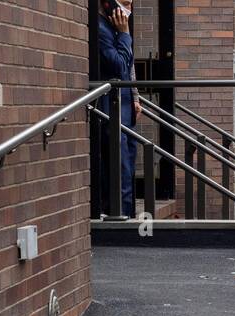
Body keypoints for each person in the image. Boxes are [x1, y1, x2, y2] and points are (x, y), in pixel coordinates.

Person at [97, 0, 138, 217]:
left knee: (129, 165)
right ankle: (120, 215)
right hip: (111, 108)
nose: (129, 4)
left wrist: (135, 97)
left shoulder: (114, 27)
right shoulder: (102, 29)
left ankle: (128, 215)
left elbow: (129, 69)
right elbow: (119, 66)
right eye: (124, 0)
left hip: (126, 107)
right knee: (119, 167)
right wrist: (125, 33)